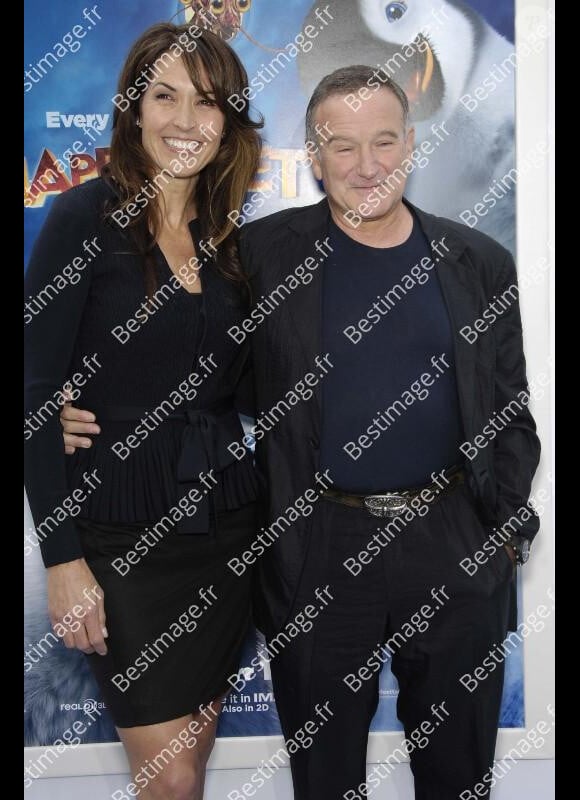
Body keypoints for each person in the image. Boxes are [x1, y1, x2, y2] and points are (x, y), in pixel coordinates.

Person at [60, 66, 541, 800]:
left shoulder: (478, 262)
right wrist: (75, 399)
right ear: (313, 157)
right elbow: (192, 365)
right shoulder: (259, 257)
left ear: (411, 145)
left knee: (458, 778)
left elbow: (510, 414)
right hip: (318, 553)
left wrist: (498, 534)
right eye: (341, 147)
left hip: (452, 548)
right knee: (324, 780)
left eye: (384, 141)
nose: (367, 165)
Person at [24, 22, 262, 800]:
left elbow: (247, 384)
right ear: (132, 108)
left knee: (190, 769)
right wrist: (62, 563)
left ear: (228, 122)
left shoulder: (228, 239)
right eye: (164, 96)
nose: (184, 120)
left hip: (226, 529)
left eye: (206, 101)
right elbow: (34, 395)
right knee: (166, 783)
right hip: (121, 540)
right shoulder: (82, 220)